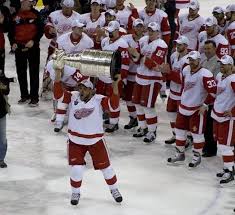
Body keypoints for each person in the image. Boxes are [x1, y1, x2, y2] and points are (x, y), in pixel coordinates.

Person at [53, 61, 123, 205]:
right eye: (80, 87)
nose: (81, 90)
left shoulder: (99, 100)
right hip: (75, 140)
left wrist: (115, 85)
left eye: (84, 88)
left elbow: (114, 106)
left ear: (92, 90)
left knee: (107, 169)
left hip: (95, 141)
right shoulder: (73, 96)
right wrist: (58, 73)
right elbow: (58, 94)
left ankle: (114, 189)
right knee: (76, 170)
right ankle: (75, 193)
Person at [166, 51, 217, 168]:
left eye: (193, 60)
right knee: (179, 132)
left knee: (197, 134)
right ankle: (180, 153)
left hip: (196, 110)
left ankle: (197, 156)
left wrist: (205, 104)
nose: (191, 62)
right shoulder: (185, 70)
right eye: (190, 59)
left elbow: (214, 92)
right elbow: (184, 86)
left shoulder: (206, 74)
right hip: (183, 107)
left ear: (199, 60)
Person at [130, 22, 168, 143]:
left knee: (148, 107)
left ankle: (152, 131)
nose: (150, 32)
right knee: (137, 104)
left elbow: (155, 64)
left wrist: (139, 56)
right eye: (149, 30)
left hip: (152, 79)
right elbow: (135, 58)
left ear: (158, 32)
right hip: (139, 76)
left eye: (153, 30)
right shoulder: (143, 40)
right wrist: (136, 56)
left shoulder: (162, 44)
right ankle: (143, 127)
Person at [9, 0, 44, 107]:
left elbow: (40, 30)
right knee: (21, 72)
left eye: (27, 1)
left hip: (33, 47)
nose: (24, 3)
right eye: (22, 1)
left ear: (30, 3)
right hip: (19, 48)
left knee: (34, 73)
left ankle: (34, 98)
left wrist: (34, 41)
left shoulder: (36, 14)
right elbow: (11, 31)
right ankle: (24, 95)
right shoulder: (15, 15)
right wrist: (13, 43)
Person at [211, 55, 235, 185]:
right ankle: (227, 167)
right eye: (220, 63)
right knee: (221, 145)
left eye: (224, 64)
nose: (221, 65)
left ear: (231, 66)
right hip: (217, 115)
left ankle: (230, 171)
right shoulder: (220, 76)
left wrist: (233, 111)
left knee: (225, 146)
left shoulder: (233, 80)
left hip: (228, 119)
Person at [164, 35, 189, 145]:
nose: (177, 46)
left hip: (182, 93)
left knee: (181, 118)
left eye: (180, 44)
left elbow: (183, 80)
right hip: (173, 91)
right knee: (170, 113)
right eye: (176, 44)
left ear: (186, 45)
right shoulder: (174, 55)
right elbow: (171, 72)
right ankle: (176, 135)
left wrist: (169, 73)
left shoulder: (188, 60)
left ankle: (186, 139)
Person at [201, 40, 220, 157]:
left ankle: (211, 149)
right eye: (205, 49)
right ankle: (207, 145)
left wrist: (207, 102)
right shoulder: (204, 62)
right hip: (203, 99)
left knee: (209, 126)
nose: (207, 51)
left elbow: (215, 86)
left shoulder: (218, 64)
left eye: (209, 49)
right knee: (205, 125)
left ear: (215, 49)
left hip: (212, 100)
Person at [0, 75, 10, 168]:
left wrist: (5, 83)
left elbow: (6, 91)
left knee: (2, 138)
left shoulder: (2, 77)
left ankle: (1, 159)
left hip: (1, 113)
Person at [0, 0, 11, 77]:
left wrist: (2, 22)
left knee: (1, 71)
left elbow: (7, 28)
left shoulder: (4, 9)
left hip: (0, 44)